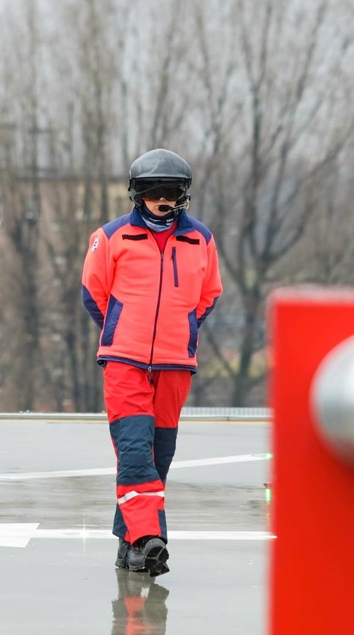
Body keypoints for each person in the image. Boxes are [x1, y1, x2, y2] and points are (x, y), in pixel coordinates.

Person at [81, 148, 222, 576]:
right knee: (135, 450)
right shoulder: (111, 237)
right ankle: (148, 538)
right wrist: (123, 331)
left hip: (176, 364)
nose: (161, 198)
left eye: (170, 191)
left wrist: (182, 329)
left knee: (160, 455)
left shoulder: (201, 240)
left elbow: (208, 295)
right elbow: (93, 292)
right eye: (151, 190)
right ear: (136, 193)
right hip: (125, 361)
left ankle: (132, 547)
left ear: (183, 194)